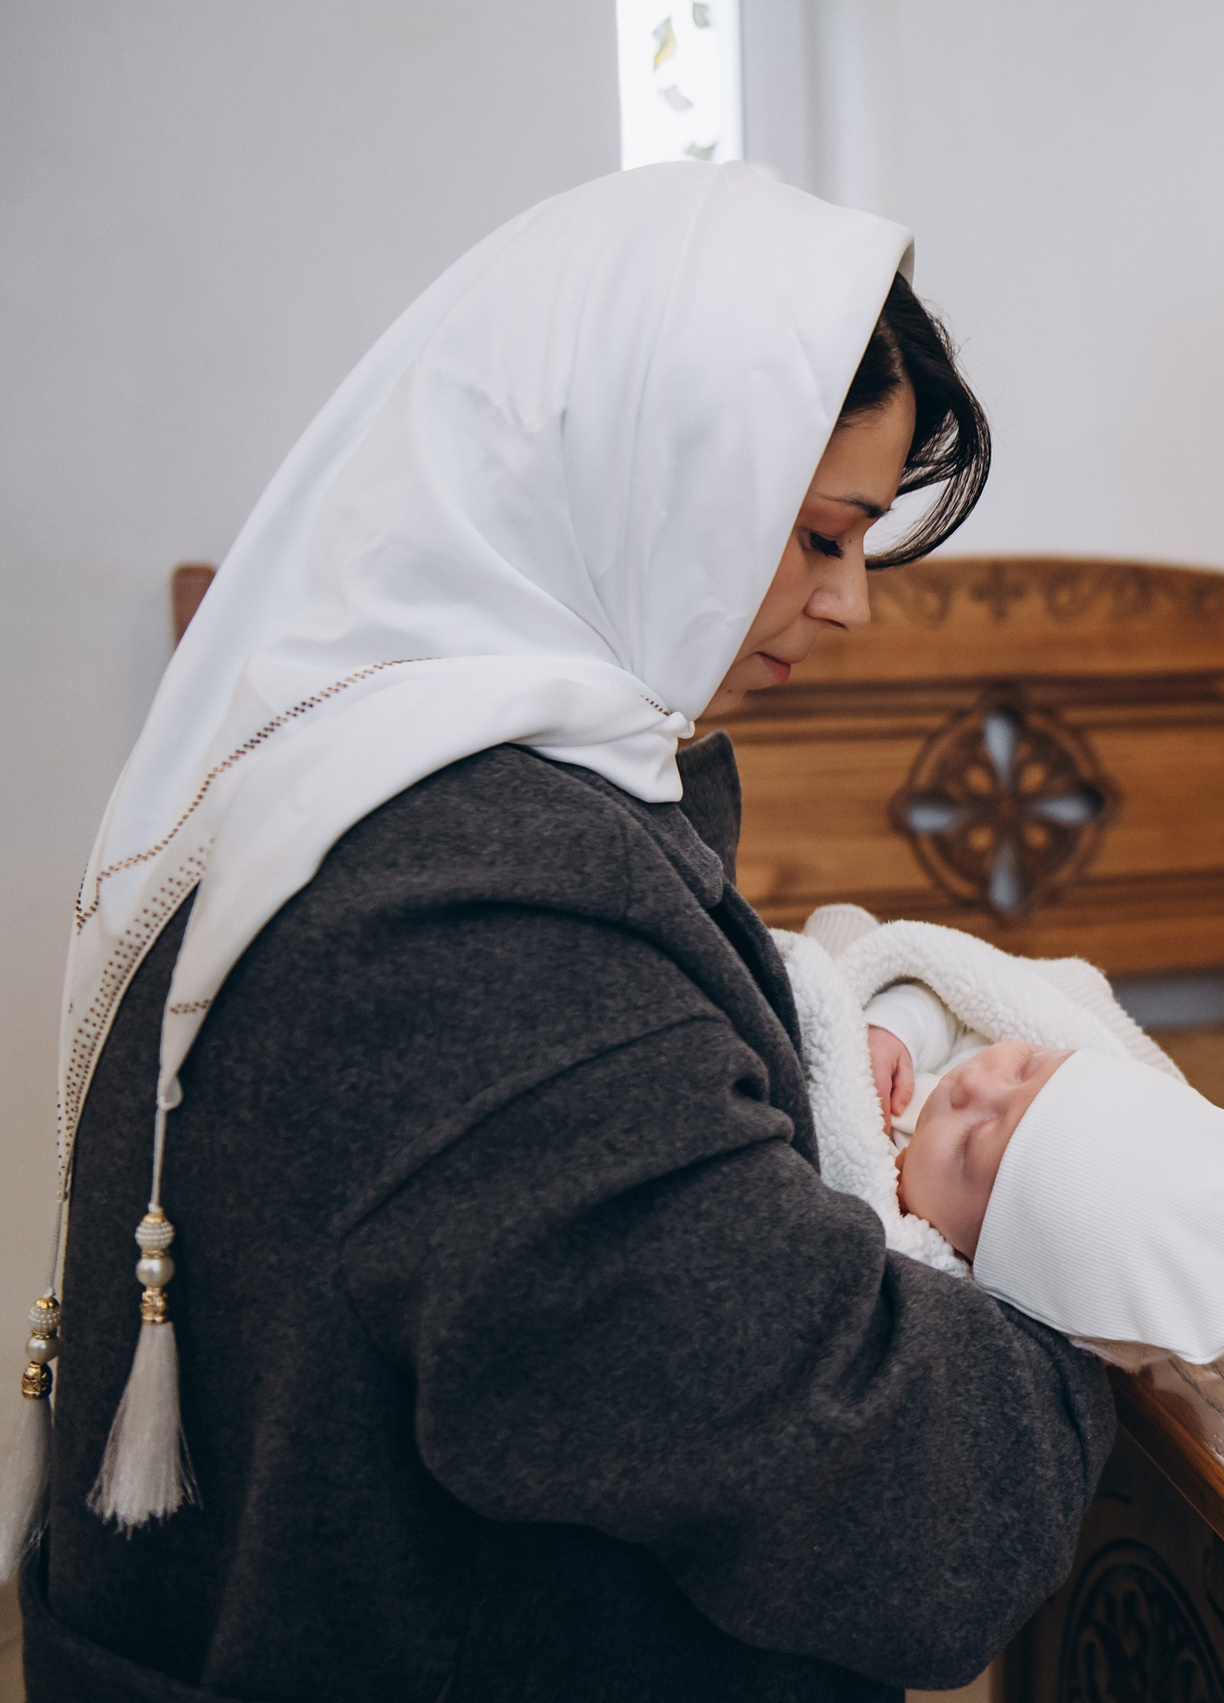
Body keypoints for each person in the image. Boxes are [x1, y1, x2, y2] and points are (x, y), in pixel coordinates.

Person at [6, 163, 1110, 1702]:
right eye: (816, 532)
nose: (849, 602)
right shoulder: (480, 923)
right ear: (648, 484)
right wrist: (1071, 1228)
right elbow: (913, 1516)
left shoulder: (355, 770)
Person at [770, 909, 1224, 1364]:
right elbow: (907, 972)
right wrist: (893, 1024)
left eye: (972, 1145)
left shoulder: (907, 1252)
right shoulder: (970, 1053)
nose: (974, 1087)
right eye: (1026, 1066)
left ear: (973, 1257)